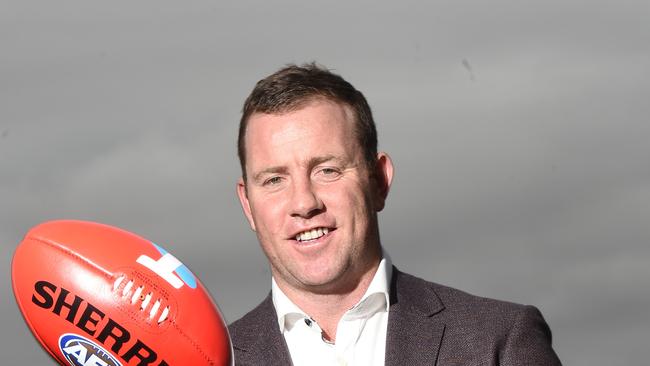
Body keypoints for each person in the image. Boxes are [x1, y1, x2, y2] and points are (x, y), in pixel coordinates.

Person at [228, 63, 562, 366]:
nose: (303, 203)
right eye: (274, 180)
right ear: (248, 205)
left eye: (327, 170)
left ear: (378, 181)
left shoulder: (498, 342)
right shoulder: (211, 360)